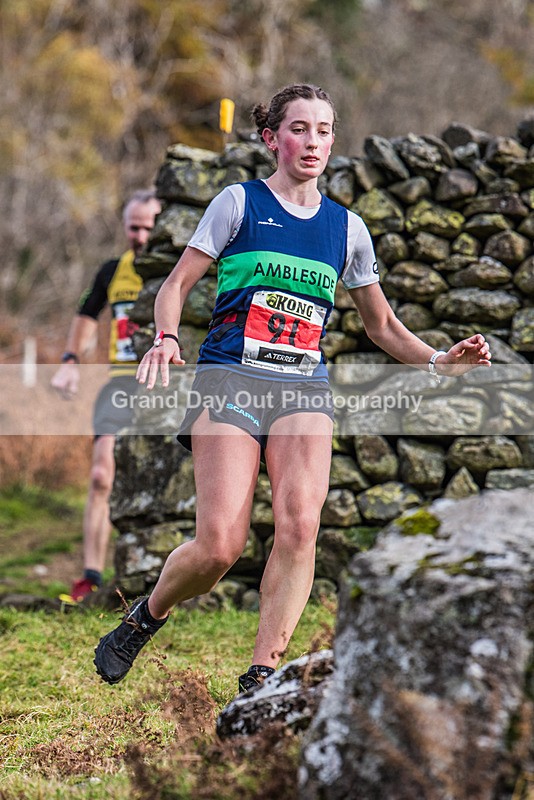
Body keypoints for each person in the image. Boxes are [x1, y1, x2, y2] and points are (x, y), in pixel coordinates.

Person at [94, 84, 491, 690]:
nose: (312, 142)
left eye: (324, 130)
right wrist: (167, 338)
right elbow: (174, 287)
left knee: (301, 524)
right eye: (299, 129)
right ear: (271, 138)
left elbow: (381, 325)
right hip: (230, 379)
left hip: (303, 386)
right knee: (220, 545)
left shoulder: (347, 229)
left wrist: (440, 361)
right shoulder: (237, 203)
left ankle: (262, 675)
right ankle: (145, 616)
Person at [52, 190, 162, 603]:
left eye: (148, 227)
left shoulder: (179, 267)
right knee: (101, 476)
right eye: (133, 227)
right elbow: (86, 316)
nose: (140, 235)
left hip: (164, 384)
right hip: (119, 384)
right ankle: (91, 577)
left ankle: (157, 577)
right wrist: (69, 360)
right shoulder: (113, 270)